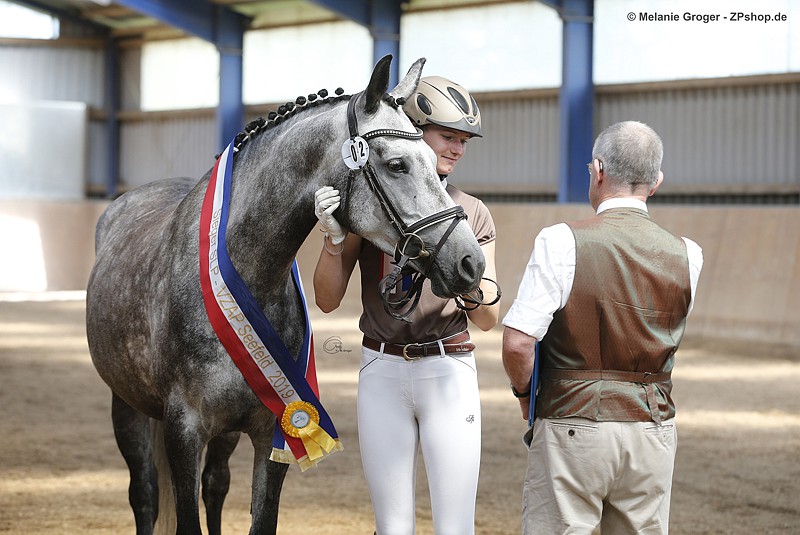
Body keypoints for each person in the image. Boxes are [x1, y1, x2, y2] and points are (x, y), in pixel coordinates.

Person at [313, 76, 500, 535]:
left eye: (463, 141)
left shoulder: (471, 211)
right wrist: (334, 240)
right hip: (383, 367)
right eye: (446, 137)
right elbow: (326, 298)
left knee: (455, 526)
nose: (456, 149)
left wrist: (464, 282)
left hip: (448, 367)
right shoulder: (371, 206)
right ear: (415, 131)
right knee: (392, 526)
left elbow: (489, 318)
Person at [501, 121, 703, 534]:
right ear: (656, 182)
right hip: (653, 426)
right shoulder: (688, 254)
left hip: (572, 421)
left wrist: (525, 397)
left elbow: (519, 344)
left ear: (597, 170)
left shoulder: (560, 240)